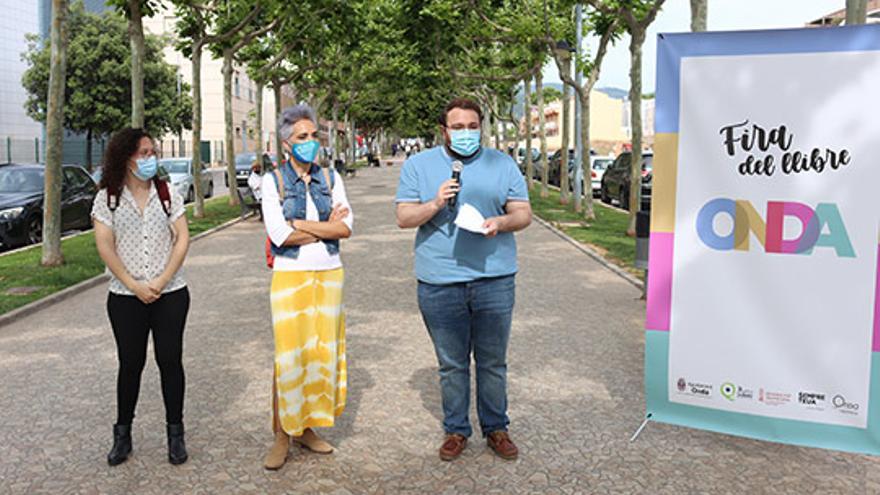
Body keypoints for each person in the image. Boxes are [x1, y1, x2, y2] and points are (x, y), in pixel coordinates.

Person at [395, 97, 532, 462]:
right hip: (439, 282)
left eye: (472, 126)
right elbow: (404, 217)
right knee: (452, 363)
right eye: (458, 127)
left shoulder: (502, 164)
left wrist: (501, 222)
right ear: (444, 130)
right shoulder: (418, 165)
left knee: (492, 361)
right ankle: (456, 430)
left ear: (481, 127)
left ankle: (496, 428)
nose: (466, 133)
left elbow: (523, 212)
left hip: (494, 280)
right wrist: (436, 203)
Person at [261, 105, 353, 470]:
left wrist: (299, 222)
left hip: (330, 274)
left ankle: (308, 428)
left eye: (314, 136)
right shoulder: (274, 181)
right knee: (289, 356)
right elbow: (279, 234)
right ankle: (283, 433)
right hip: (291, 278)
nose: (310, 143)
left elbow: (347, 229)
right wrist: (322, 226)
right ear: (286, 144)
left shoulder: (331, 178)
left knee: (320, 353)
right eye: (302, 137)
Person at [91, 128, 191, 466]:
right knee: (130, 364)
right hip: (125, 296)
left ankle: (175, 435)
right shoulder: (108, 198)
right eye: (143, 153)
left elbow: (182, 238)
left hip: (171, 293)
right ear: (125, 158)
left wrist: (161, 280)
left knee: (170, 361)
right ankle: (122, 435)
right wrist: (134, 285)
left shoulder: (168, 193)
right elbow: (105, 246)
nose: (150, 159)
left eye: (152, 152)